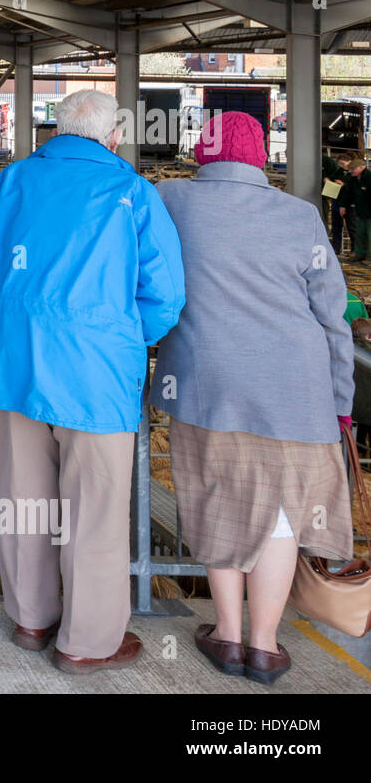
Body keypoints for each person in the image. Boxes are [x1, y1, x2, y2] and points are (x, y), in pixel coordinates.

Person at [0, 89, 185, 674]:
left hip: (14, 366)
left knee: (23, 500)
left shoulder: (11, 181)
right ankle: (85, 642)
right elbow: (166, 296)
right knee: (96, 511)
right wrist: (124, 336)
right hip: (95, 375)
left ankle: (32, 618)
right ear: (113, 139)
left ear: (56, 130)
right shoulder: (132, 192)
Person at [153, 111, 352, 686]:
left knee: (217, 501)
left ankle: (229, 635)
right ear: (262, 157)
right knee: (285, 514)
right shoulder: (301, 216)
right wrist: (341, 399)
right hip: (299, 389)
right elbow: (333, 319)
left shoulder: (173, 199)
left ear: (202, 153)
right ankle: (265, 648)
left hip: (208, 386)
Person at [323, 152, 352, 253]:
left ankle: (355, 250)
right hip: (337, 203)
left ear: (350, 162)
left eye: (344, 163)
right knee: (336, 228)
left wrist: (343, 184)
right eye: (340, 164)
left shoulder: (354, 173)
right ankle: (336, 249)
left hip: (349, 205)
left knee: (352, 228)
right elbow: (329, 177)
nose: (343, 166)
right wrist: (327, 179)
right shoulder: (339, 171)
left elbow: (354, 188)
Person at [344, 156, 369, 261]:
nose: (351, 171)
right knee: (359, 233)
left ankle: (369, 257)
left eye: (353, 169)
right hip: (360, 212)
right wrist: (343, 205)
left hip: (369, 212)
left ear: (362, 167)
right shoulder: (353, 179)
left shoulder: (369, 178)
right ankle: (359, 254)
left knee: (369, 235)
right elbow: (348, 193)